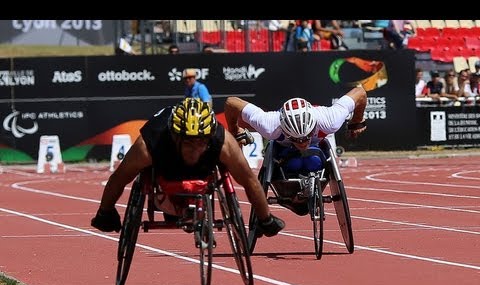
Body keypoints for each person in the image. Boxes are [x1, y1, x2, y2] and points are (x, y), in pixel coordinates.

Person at [91, 98, 284, 238]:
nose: (195, 148)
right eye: (189, 143)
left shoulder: (223, 142)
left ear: (209, 138)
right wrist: (105, 212)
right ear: (175, 137)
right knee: (144, 179)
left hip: (202, 173)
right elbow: (120, 177)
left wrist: (265, 218)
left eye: (201, 143)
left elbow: (249, 180)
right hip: (166, 174)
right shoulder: (150, 143)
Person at [224, 86, 367, 215]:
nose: (303, 143)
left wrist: (357, 120)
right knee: (294, 164)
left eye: (307, 137)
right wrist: (234, 130)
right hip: (285, 154)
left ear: (313, 127)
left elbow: (360, 92)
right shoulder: (270, 124)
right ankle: (294, 196)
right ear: (284, 129)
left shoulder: (329, 119)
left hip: (316, 152)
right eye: (297, 139)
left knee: (313, 162)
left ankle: (305, 190)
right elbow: (231, 102)